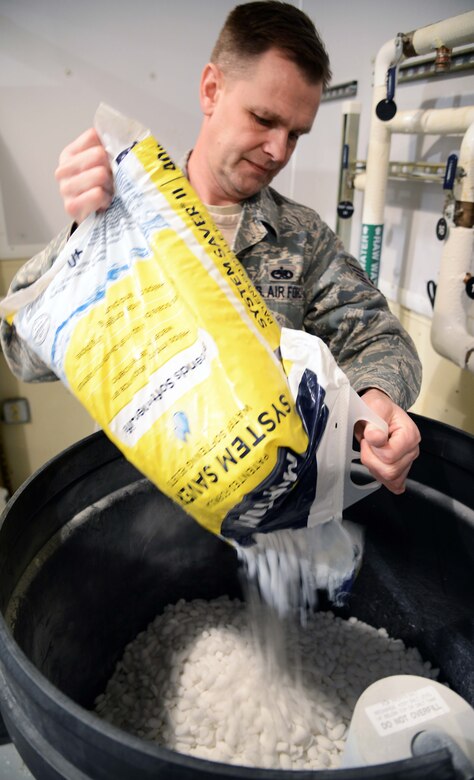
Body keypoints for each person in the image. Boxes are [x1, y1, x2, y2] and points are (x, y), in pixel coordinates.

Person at [0, 1, 421, 495]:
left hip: (264, 503)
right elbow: (22, 358)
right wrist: (83, 237)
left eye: (296, 134)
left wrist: (377, 399)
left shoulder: (303, 238)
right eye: (264, 119)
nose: (278, 151)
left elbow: (383, 340)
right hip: (138, 501)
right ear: (211, 89)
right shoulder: (122, 217)